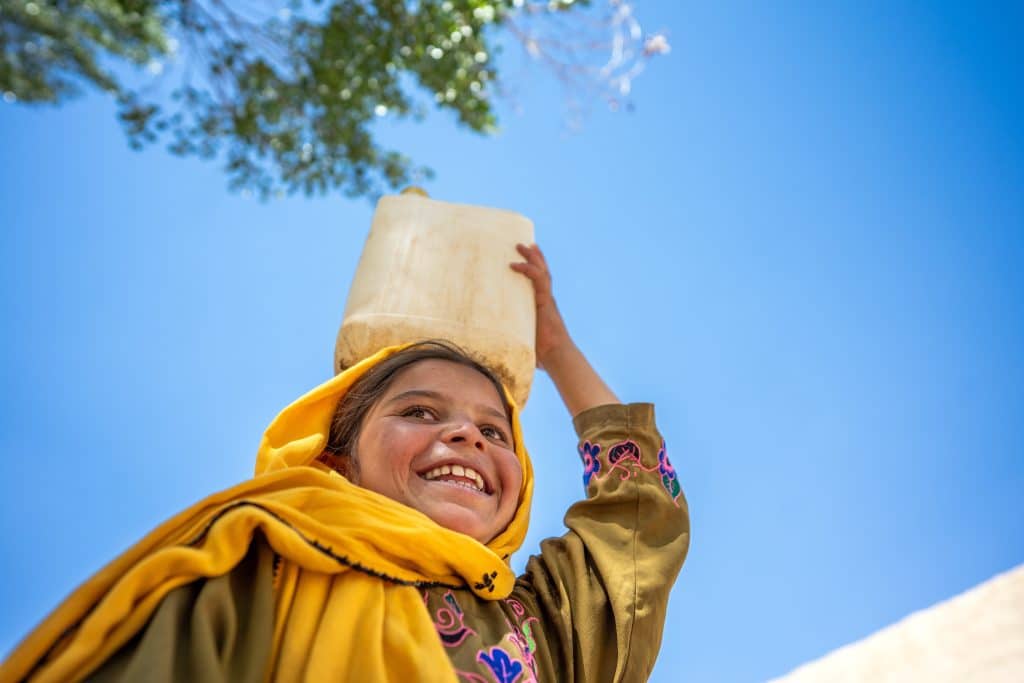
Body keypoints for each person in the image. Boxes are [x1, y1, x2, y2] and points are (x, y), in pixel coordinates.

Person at [0, 244, 689, 682]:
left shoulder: (540, 624)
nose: (468, 436)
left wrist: (557, 348)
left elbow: (637, 515)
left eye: (495, 429)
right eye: (419, 411)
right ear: (337, 457)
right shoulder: (255, 557)